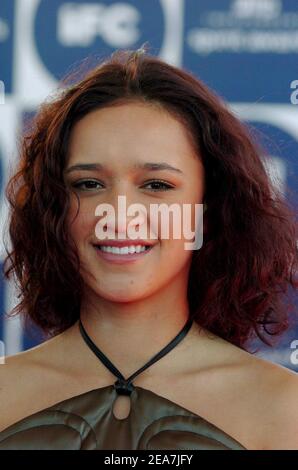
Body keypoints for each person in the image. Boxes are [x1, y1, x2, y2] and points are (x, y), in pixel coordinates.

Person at [0, 47, 297, 450]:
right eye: (89, 184)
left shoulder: (283, 408)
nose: (120, 215)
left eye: (156, 185)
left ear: (209, 210)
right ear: (53, 209)